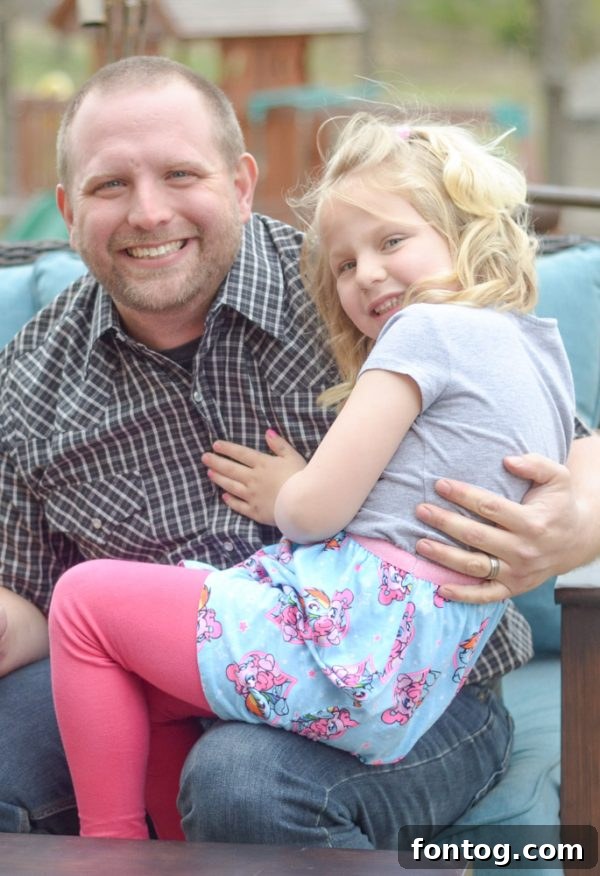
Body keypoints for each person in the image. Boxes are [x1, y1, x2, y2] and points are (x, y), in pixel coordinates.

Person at [0, 55, 598, 847]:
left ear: (242, 184)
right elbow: (30, 599)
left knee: (240, 776)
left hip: (418, 688)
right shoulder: (30, 379)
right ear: (69, 211)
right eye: (112, 186)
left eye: (182, 174)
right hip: (179, 663)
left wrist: (580, 518)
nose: (149, 212)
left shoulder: (359, 292)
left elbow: (564, 433)